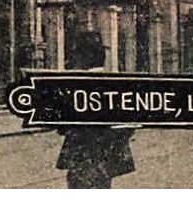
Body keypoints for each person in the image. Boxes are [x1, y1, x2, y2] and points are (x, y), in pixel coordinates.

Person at [53, 32, 135, 188]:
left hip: (80, 160)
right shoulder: (116, 87)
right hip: (104, 163)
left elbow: (62, 128)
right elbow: (128, 126)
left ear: (82, 58)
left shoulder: (74, 89)